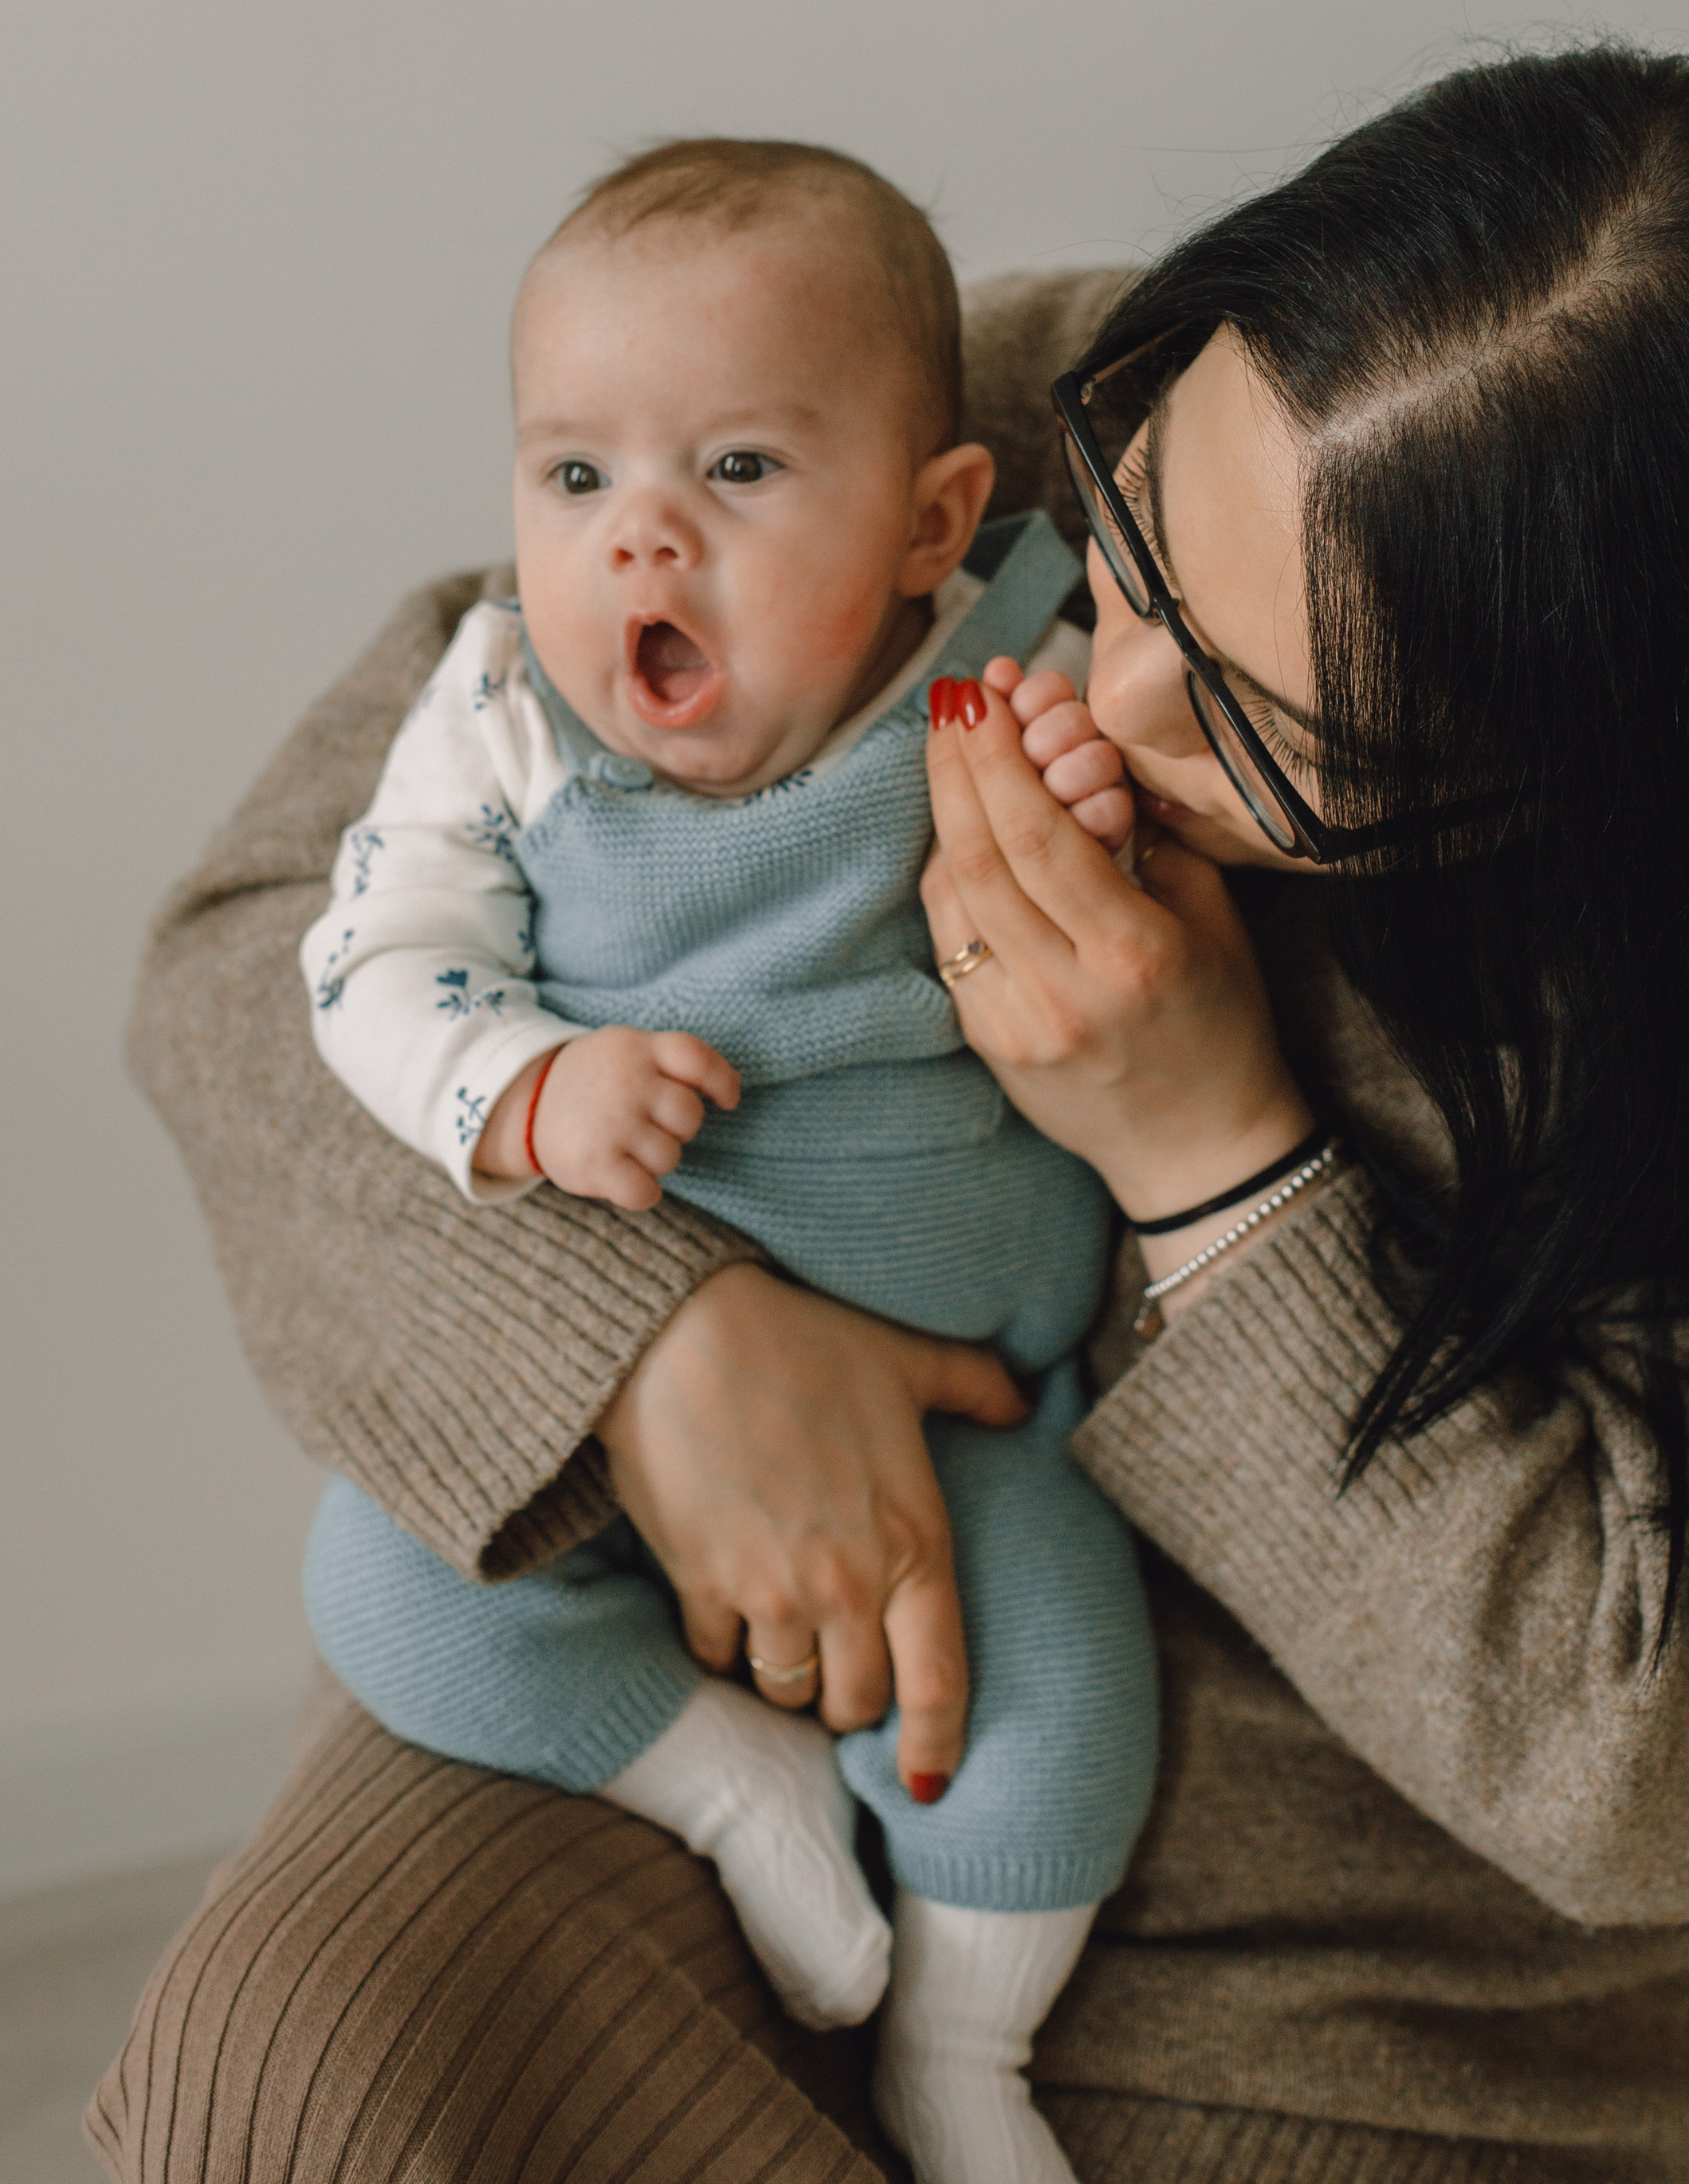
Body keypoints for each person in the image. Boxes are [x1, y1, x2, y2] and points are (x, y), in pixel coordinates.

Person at [91, 46, 1689, 2184]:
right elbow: (251, 950)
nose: (1101, 690)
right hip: (667, 1674)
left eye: (1254, 721)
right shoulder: (946, 407)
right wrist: (642, 1348)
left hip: (1345, 1988)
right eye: (1130, 541)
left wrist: (1211, 1164)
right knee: (287, 2088)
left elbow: (1673, 1776)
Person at [293, 136, 1161, 2184]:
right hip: (611, 1405)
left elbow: (1136, 857)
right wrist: (520, 1084)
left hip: (969, 1415)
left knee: (1054, 1727)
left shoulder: (999, 666)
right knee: (386, 1597)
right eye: (574, 475)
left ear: (928, 519)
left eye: (740, 471)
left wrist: (1083, 793)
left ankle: (963, 2054)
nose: (640, 540)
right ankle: (721, 1787)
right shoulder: (500, 712)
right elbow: (368, 961)